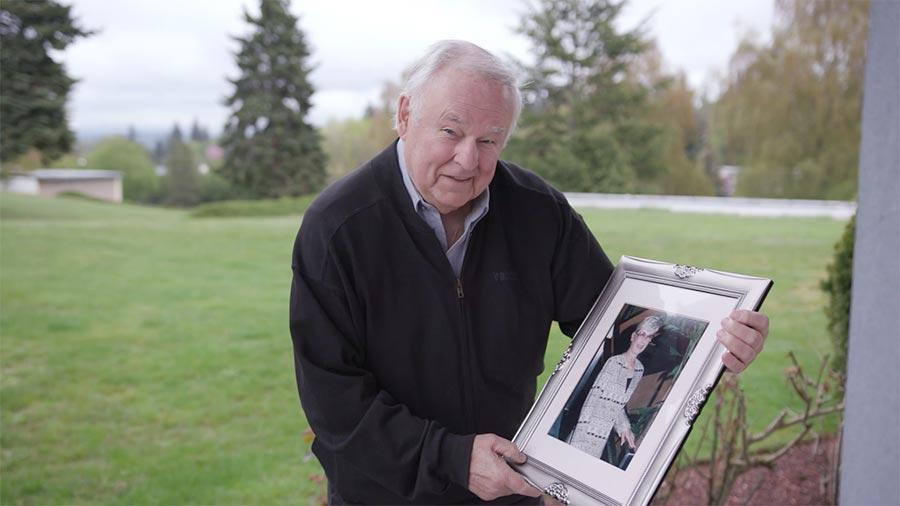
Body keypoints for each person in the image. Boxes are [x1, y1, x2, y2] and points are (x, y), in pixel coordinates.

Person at [289, 40, 769, 505]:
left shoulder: (539, 213)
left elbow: (613, 327)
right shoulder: (337, 229)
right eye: (450, 132)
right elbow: (335, 403)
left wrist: (711, 345)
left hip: (507, 492)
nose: (468, 159)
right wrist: (451, 458)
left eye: (488, 140)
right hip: (383, 497)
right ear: (404, 115)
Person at [566, 316, 663, 461]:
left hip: (603, 435)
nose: (643, 341)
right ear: (633, 336)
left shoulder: (639, 370)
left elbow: (617, 405)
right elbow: (592, 399)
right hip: (587, 430)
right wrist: (579, 436)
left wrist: (625, 428)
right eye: (642, 334)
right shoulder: (614, 363)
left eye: (648, 337)